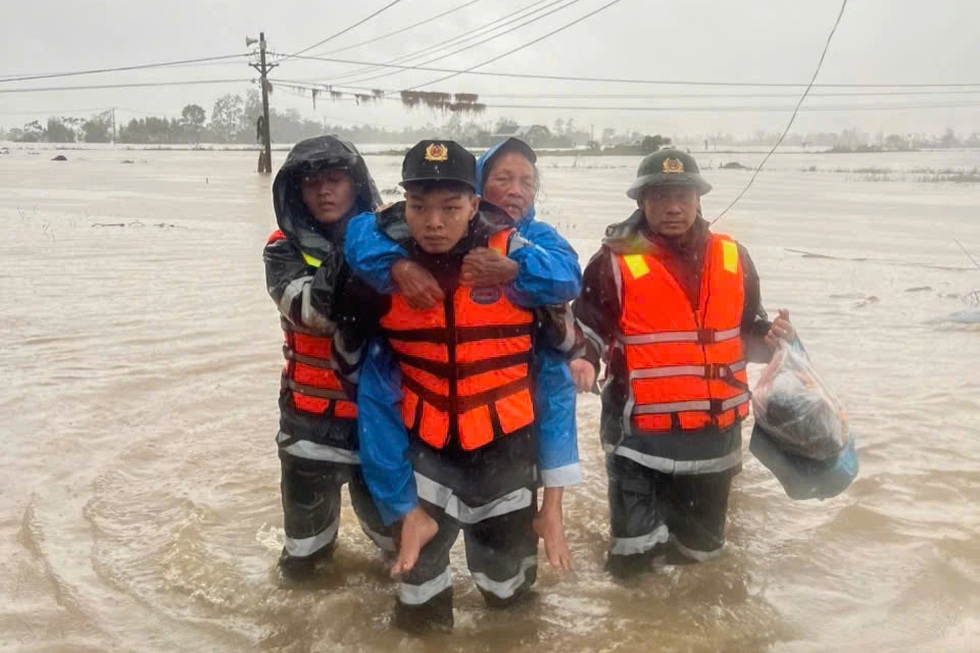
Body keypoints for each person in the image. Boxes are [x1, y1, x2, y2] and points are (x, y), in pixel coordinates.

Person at [334, 140, 579, 633]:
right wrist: (402, 508)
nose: (434, 223)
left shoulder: (524, 257)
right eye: (419, 207)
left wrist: (553, 503)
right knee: (418, 612)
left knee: (512, 611)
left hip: (508, 461)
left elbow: (556, 386)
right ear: (403, 205)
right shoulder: (380, 273)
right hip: (425, 465)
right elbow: (377, 404)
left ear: (474, 205)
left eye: (450, 208)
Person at [573, 149, 796, 577]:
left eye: (683, 196)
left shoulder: (734, 257)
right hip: (636, 443)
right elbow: (587, 328)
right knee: (632, 567)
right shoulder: (610, 262)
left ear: (698, 200)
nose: (673, 207)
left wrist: (774, 337)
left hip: (714, 446)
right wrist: (584, 360)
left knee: (702, 566)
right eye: (660, 196)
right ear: (642, 202)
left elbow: (748, 332)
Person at [262, 135, 392, 580]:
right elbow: (312, 313)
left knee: (398, 551)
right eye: (311, 182)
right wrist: (360, 249)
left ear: (356, 184)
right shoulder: (281, 249)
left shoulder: (390, 240)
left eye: (335, 179)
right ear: (296, 191)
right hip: (308, 424)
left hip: (379, 423)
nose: (324, 190)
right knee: (304, 558)